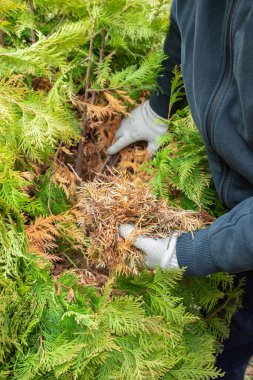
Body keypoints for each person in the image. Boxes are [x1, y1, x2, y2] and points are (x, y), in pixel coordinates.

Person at [107, 1, 253, 379]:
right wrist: (159, 106)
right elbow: (183, 24)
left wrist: (190, 251)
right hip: (236, 194)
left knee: (235, 337)